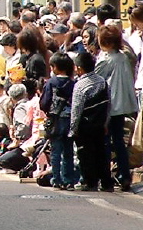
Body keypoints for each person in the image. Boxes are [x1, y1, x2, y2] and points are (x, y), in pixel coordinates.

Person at [95, 25, 138, 190]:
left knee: (105, 142)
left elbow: (96, 80)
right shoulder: (123, 57)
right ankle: (124, 174)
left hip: (108, 106)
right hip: (123, 104)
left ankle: (106, 177)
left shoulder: (106, 60)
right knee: (119, 142)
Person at [70, 52, 112, 192]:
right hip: (100, 124)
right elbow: (108, 104)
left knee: (86, 155)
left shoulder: (80, 85)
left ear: (79, 68)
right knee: (102, 154)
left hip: (85, 126)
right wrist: (106, 123)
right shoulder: (102, 82)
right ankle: (107, 183)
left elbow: (76, 109)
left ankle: (90, 182)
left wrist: (73, 129)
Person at [40, 52, 77, 190]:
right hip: (70, 121)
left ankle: (56, 179)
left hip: (55, 120)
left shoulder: (51, 83)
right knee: (68, 151)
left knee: (55, 151)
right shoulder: (74, 83)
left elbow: (44, 102)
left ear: (54, 67)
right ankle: (69, 180)